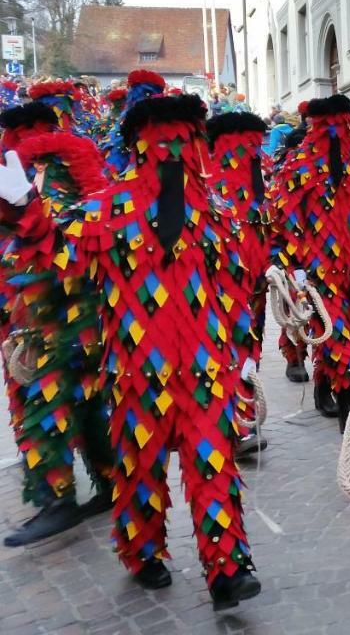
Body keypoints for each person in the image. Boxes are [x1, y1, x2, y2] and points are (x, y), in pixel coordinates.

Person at [0, 93, 263, 609]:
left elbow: (235, 286)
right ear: (139, 146)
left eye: (183, 140)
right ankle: (143, 554)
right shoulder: (109, 209)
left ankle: (227, 570)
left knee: (213, 464)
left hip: (205, 369)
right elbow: (60, 252)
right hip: (136, 370)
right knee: (139, 468)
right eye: (160, 141)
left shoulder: (219, 212)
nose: (172, 151)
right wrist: (24, 209)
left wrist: (244, 352)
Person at [0, 103, 113, 547]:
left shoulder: (46, 170)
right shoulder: (39, 166)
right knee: (84, 398)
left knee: (40, 401)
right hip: (54, 308)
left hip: (58, 310)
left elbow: (67, 238)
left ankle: (57, 500)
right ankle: (111, 481)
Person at [266, 94, 350, 429]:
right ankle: (348, 399)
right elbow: (282, 219)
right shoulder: (296, 168)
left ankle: (321, 385)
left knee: (334, 328)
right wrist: (291, 268)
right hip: (313, 272)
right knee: (337, 331)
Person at [207, 110, 273, 453]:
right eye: (244, 145)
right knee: (228, 354)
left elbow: (271, 228)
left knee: (250, 354)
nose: (252, 152)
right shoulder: (208, 186)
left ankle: (242, 420)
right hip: (220, 291)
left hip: (256, 288)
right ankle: (235, 426)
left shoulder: (262, 182)